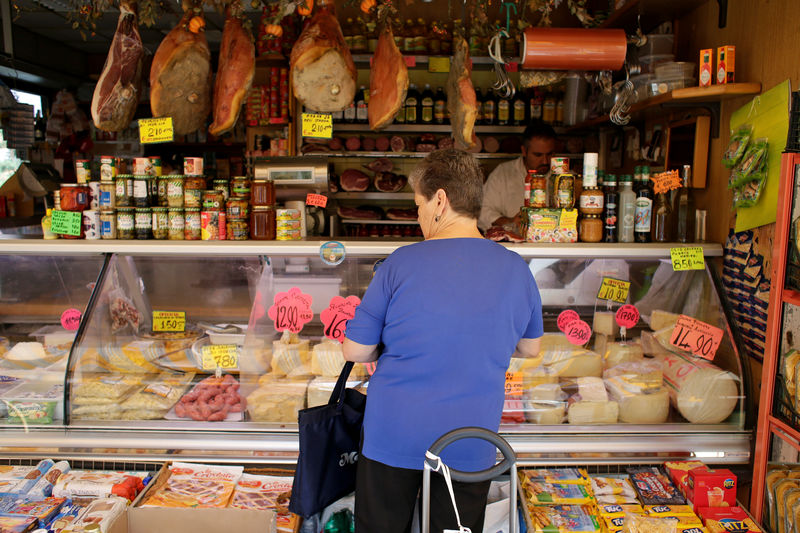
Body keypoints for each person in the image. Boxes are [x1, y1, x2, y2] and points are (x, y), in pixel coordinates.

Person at [343, 148, 543, 533]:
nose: (418, 216)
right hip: (470, 439)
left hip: (394, 434)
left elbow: (355, 350)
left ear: (440, 200)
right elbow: (531, 348)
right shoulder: (516, 268)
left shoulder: (400, 263)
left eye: (418, 204)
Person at [478, 121, 557, 231]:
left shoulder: (565, 178)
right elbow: (482, 211)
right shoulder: (503, 173)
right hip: (512, 245)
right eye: (537, 155)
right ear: (524, 151)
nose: (545, 161)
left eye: (549, 154)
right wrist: (510, 222)